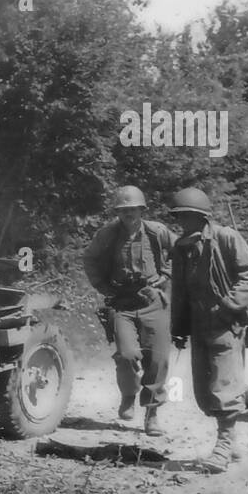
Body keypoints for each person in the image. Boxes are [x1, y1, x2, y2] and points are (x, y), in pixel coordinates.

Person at [168, 188, 248, 471]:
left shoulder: (226, 238)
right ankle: (230, 443)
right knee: (205, 387)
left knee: (224, 384)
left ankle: (223, 445)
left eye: (188, 216)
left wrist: (227, 305)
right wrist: (180, 326)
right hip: (198, 323)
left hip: (225, 322)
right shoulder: (182, 248)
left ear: (202, 216)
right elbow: (180, 291)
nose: (183, 221)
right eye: (179, 217)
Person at [82, 185, 175, 436]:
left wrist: (166, 273)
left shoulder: (157, 232)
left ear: (142, 210)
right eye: (124, 211)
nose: (129, 215)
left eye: (133, 209)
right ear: (118, 213)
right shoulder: (108, 234)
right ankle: (128, 395)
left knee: (157, 359)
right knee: (126, 354)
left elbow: (181, 252)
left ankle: (152, 413)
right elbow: (89, 259)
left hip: (153, 301)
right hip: (122, 303)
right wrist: (103, 287)